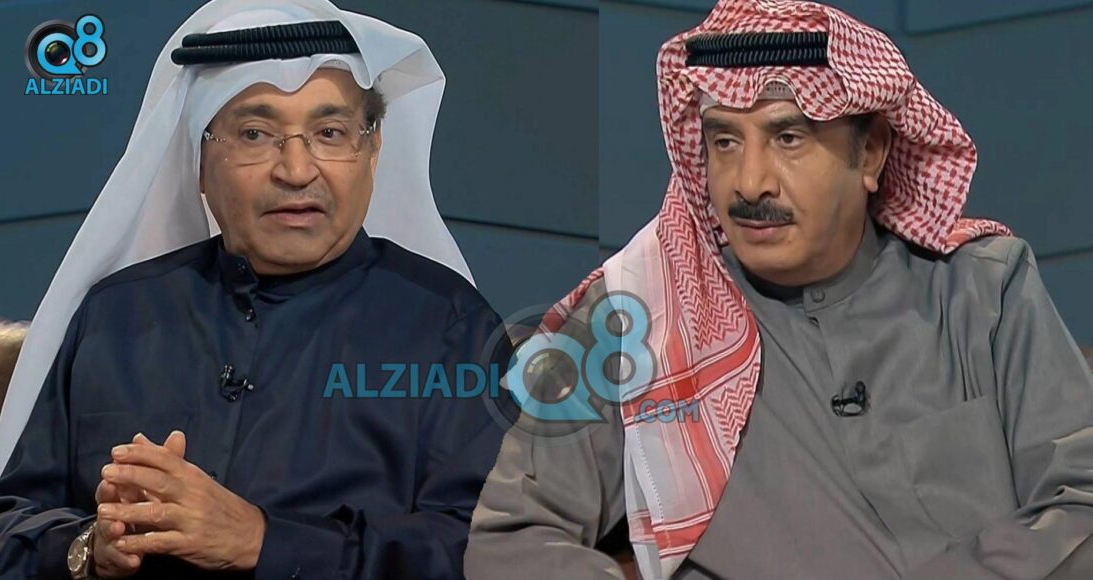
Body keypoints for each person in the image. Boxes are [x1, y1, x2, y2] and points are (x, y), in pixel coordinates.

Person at [465, 0, 1093, 578]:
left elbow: (1082, 503)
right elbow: (512, 539)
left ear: (871, 153)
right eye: (724, 142)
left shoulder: (985, 290)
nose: (749, 183)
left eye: (788, 138)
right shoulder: (633, 313)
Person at [0, 1, 511, 578]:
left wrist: (261, 541)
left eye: (329, 133)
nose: (296, 170)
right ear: (201, 161)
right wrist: (89, 549)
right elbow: (3, 530)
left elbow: (488, 548)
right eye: (256, 134)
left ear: (372, 151)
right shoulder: (116, 315)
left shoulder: (451, 328)